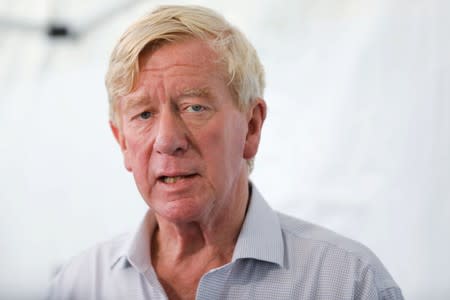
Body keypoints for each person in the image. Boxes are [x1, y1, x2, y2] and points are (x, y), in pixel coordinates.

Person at [48, 5, 403, 300]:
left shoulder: (347, 283)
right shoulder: (78, 286)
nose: (168, 139)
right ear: (123, 142)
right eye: (144, 114)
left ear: (251, 127)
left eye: (194, 107)